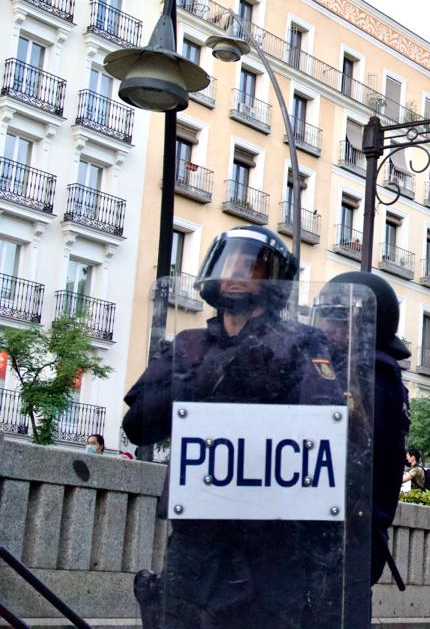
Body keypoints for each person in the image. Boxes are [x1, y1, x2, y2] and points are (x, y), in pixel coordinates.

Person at [122, 226, 351, 629]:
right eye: (229, 262)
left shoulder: (302, 343)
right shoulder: (188, 346)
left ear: (273, 281)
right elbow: (137, 426)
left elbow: (327, 419)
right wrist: (191, 383)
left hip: (274, 533)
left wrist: (275, 375)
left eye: (251, 267)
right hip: (199, 529)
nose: (235, 273)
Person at [312, 271, 410, 587]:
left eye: (335, 318)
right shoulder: (343, 368)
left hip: (344, 537)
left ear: (363, 324)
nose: (323, 326)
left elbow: (356, 451)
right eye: (324, 314)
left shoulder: (374, 376)